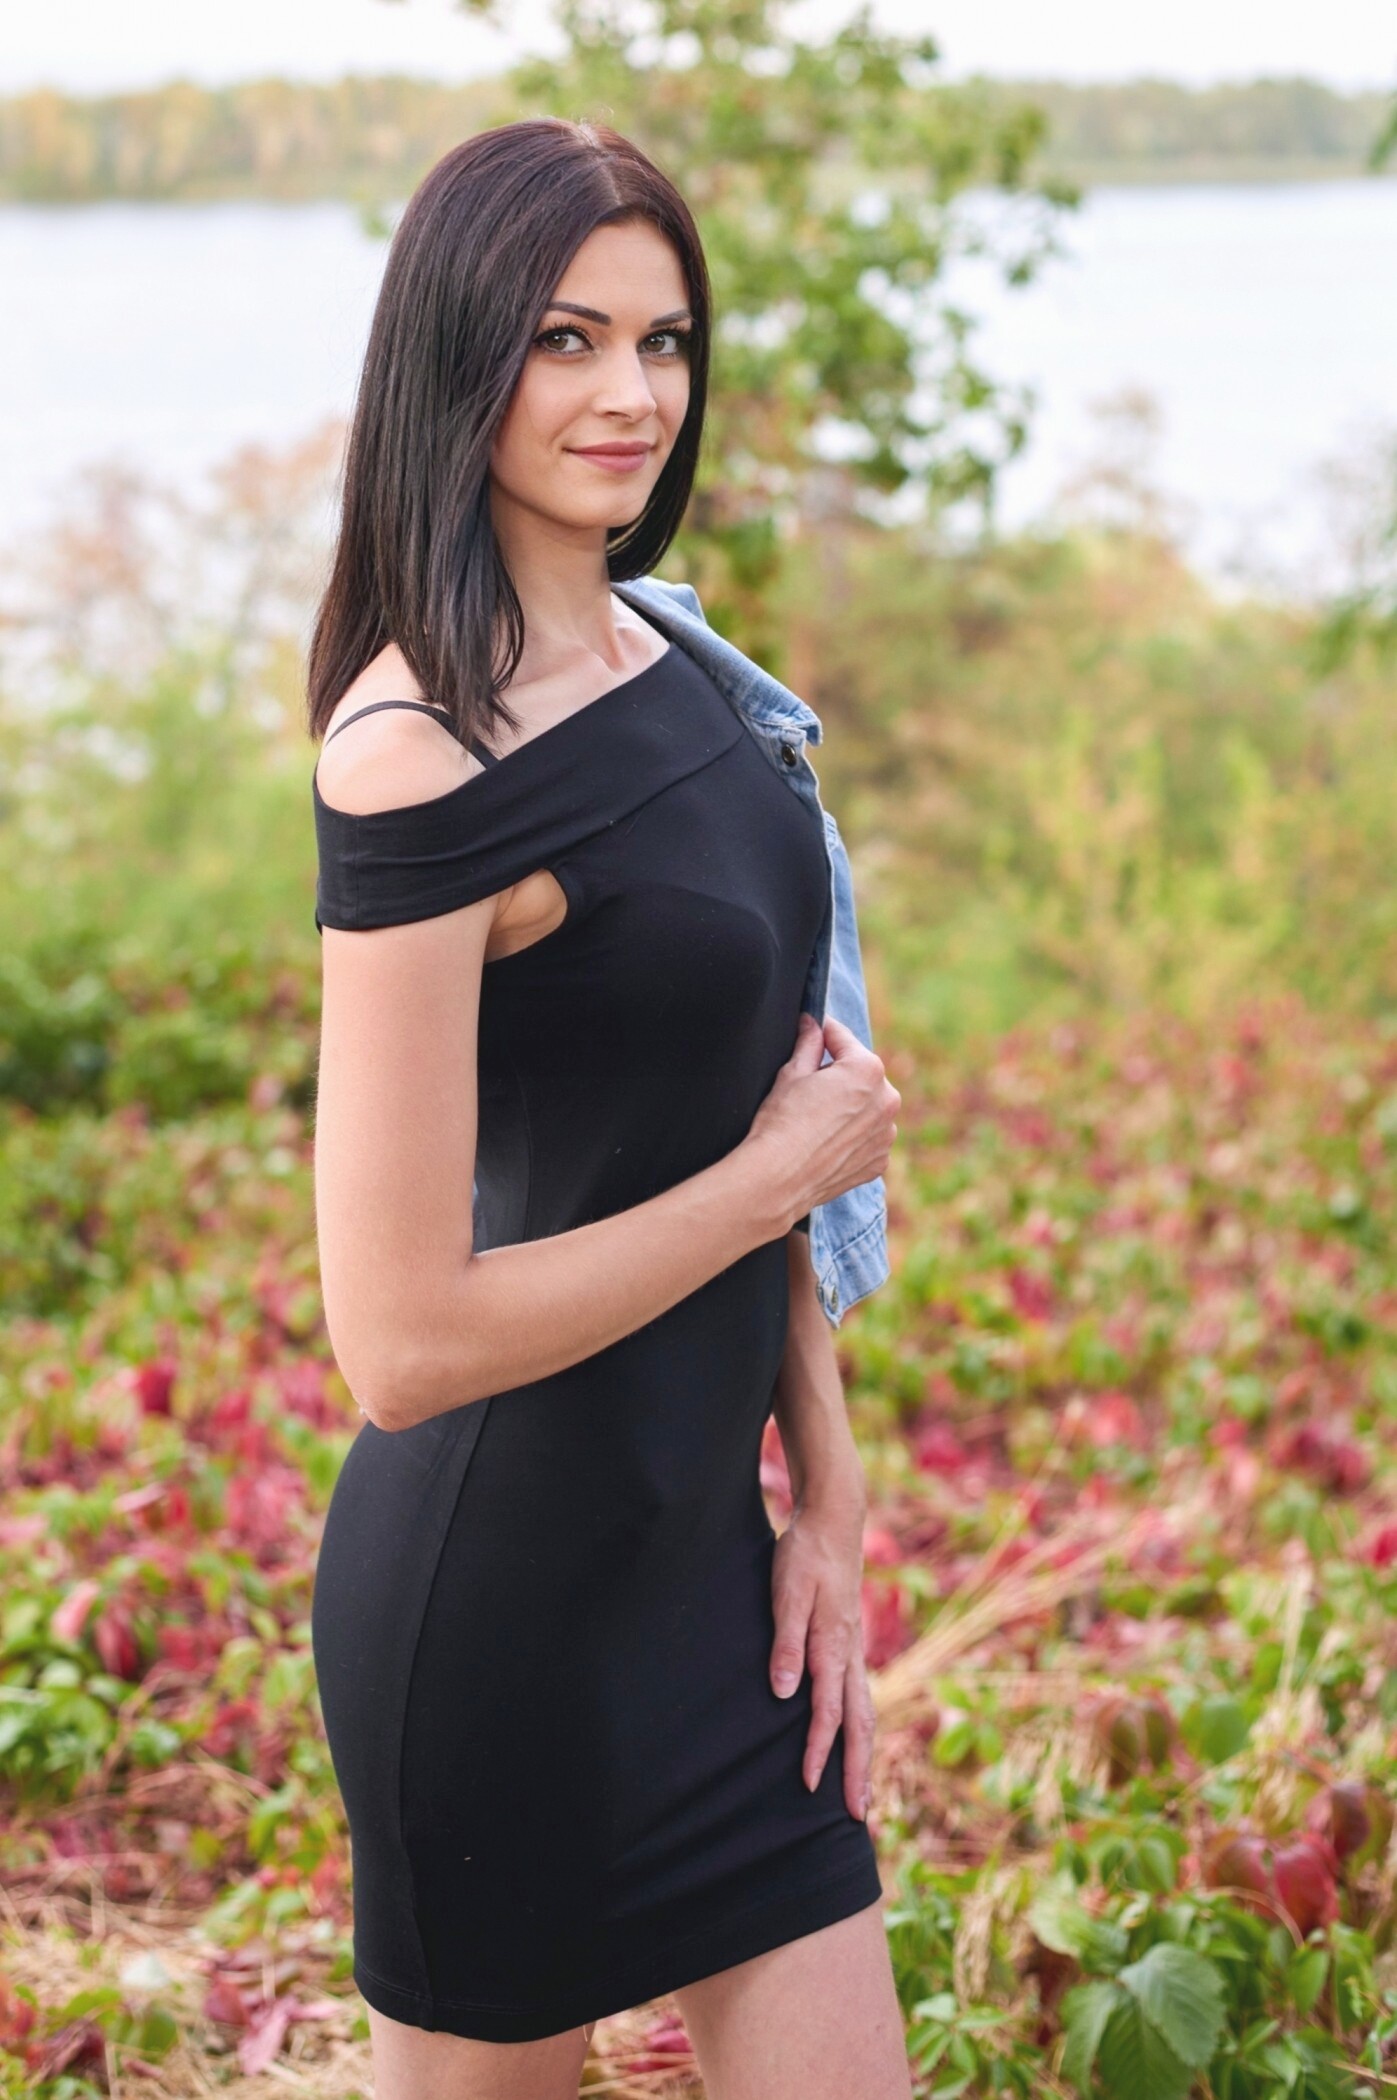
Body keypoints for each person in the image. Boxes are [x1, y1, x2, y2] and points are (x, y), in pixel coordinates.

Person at [306, 116, 908, 2100]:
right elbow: (402, 1342)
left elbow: (762, 1109)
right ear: (459, 357)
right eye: (564, 341)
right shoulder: (417, 758)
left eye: (661, 341)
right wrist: (767, 1186)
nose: (629, 394)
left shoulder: (681, 670)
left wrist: (823, 1487)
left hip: (713, 1588)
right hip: (502, 1626)